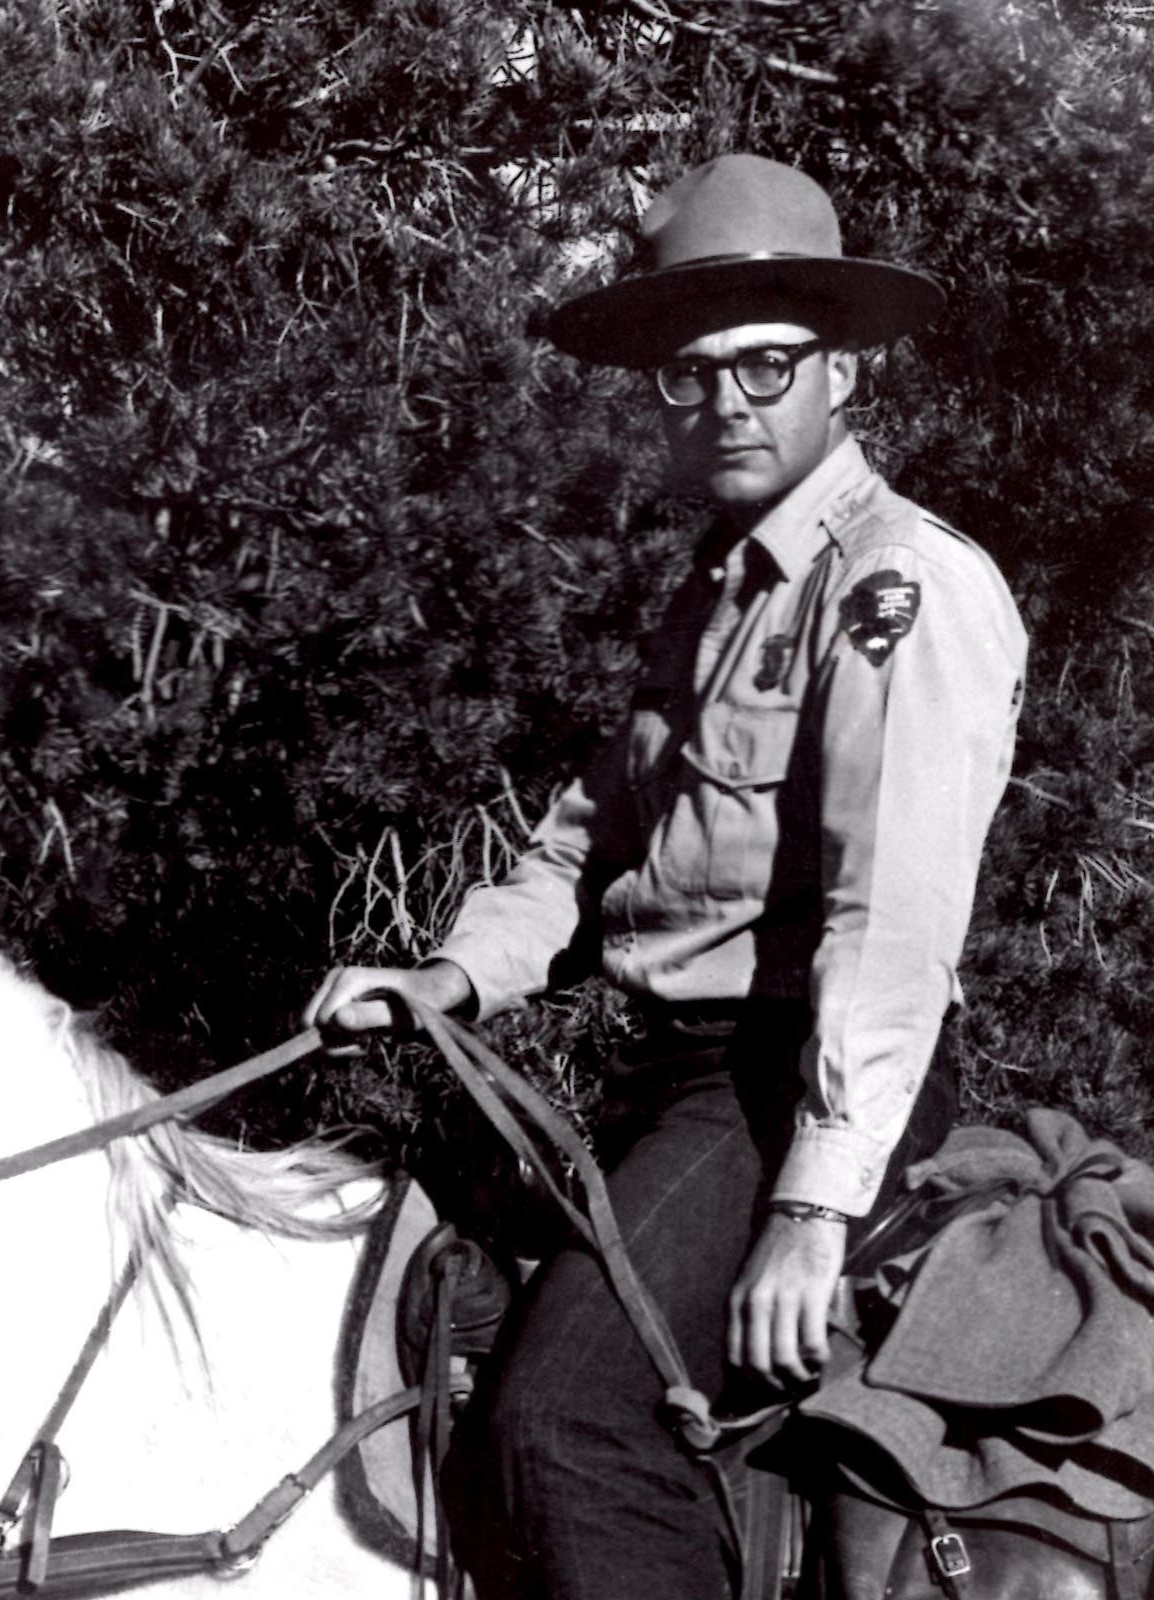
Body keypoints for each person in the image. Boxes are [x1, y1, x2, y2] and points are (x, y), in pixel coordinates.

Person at [305, 153, 1027, 1599]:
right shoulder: (716, 593)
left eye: (768, 364)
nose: (729, 404)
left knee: (572, 1421)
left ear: (843, 376)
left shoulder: (894, 586)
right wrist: (450, 975)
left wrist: (814, 1209)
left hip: (785, 1080)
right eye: (690, 377)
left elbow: (890, 927)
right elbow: (584, 839)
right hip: (652, 1073)